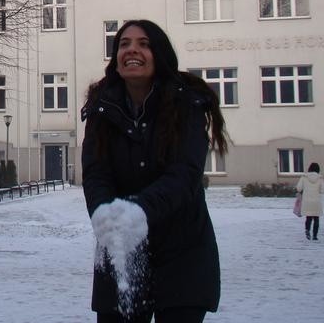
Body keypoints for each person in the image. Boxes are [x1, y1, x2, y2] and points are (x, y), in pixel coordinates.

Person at [81, 19, 228, 323]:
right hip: (122, 251)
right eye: (124, 44)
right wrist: (104, 214)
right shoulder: (101, 108)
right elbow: (96, 173)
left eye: (144, 44)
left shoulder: (187, 104)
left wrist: (138, 211)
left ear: (159, 54)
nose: (132, 49)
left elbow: (184, 175)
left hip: (182, 251)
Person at [296, 162, 324, 240]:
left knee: (308, 217)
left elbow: (299, 188)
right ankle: (315, 236)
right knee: (316, 218)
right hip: (316, 202)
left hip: (307, 201)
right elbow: (323, 190)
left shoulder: (304, 177)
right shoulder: (320, 178)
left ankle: (307, 230)